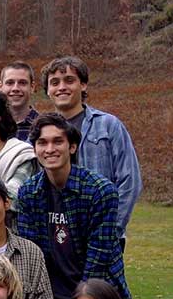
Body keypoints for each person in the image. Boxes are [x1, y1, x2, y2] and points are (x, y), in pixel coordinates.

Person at [16, 114, 129, 299]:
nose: (50, 149)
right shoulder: (29, 193)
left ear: (72, 147)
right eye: (42, 142)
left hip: (97, 288)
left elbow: (99, 258)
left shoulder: (100, 191)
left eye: (58, 141)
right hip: (52, 293)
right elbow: (31, 255)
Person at [41, 56, 141, 235]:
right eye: (54, 82)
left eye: (69, 80)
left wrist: (111, 229)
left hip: (104, 234)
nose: (62, 87)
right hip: (59, 238)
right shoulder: (41, 133)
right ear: (48, 90)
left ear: (83, 85)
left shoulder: (108, 125)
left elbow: (130, 181)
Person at [0, 61, 39, 142]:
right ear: (1, 87)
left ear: (32, 87)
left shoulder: (43, 125)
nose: (15, 88)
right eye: (10, 83)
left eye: (22, 83)